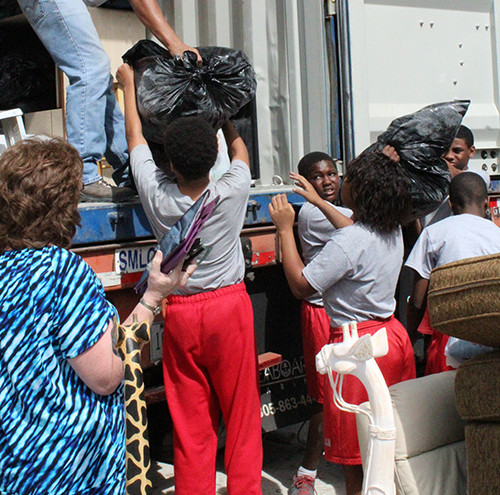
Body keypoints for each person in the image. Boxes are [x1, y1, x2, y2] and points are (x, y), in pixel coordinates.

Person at [0, 137, 196, 495]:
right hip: (65, 468)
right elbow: (104, 378)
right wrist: (153, 299)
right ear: (62, 206)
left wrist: (150, 296)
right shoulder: (61, 271)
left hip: (14, 466)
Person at [8, 0, 210, 202]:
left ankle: (129, 170)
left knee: (97, 75)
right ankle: (83, 175)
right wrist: (175, 44)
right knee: (89, 69)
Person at [116, 62, 263, 495]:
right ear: (214, 156)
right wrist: (223, 115)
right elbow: (241, 155)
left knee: (191, 421)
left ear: (171, 164)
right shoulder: (232, 189)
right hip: (229, 307)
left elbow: (135, 141)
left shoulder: (159, 198)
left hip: (179, 311)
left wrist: (128, 86)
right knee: (239, 413)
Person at [269, 150, 416, 495]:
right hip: (390, 337)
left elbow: (301, 285)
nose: (339, 182)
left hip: (357, 350)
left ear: (360, 191)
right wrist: (319, 203)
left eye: (345, 177)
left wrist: (284, 230)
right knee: (391, 447)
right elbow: (352, 230)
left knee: (357, 462)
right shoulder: (389, 229)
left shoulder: (348, 242)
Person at [286, 152, 352, 495]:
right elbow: (360, 227)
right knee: (325, 399)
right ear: (303, 182)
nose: (327, 181)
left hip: (338, 313)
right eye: (317, 176)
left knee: (346, 392)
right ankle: (306, 472)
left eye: (332, 174)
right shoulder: (314, 214)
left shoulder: (333, 210)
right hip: (321, 314)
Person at [406, 171, 500, 375]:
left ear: (450, 204)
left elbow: (417, 301)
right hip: (492, 337)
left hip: (447, 337)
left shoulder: (433, 233)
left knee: (443, 400)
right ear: (486, 203)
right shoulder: (498, 234)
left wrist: (410, 336)